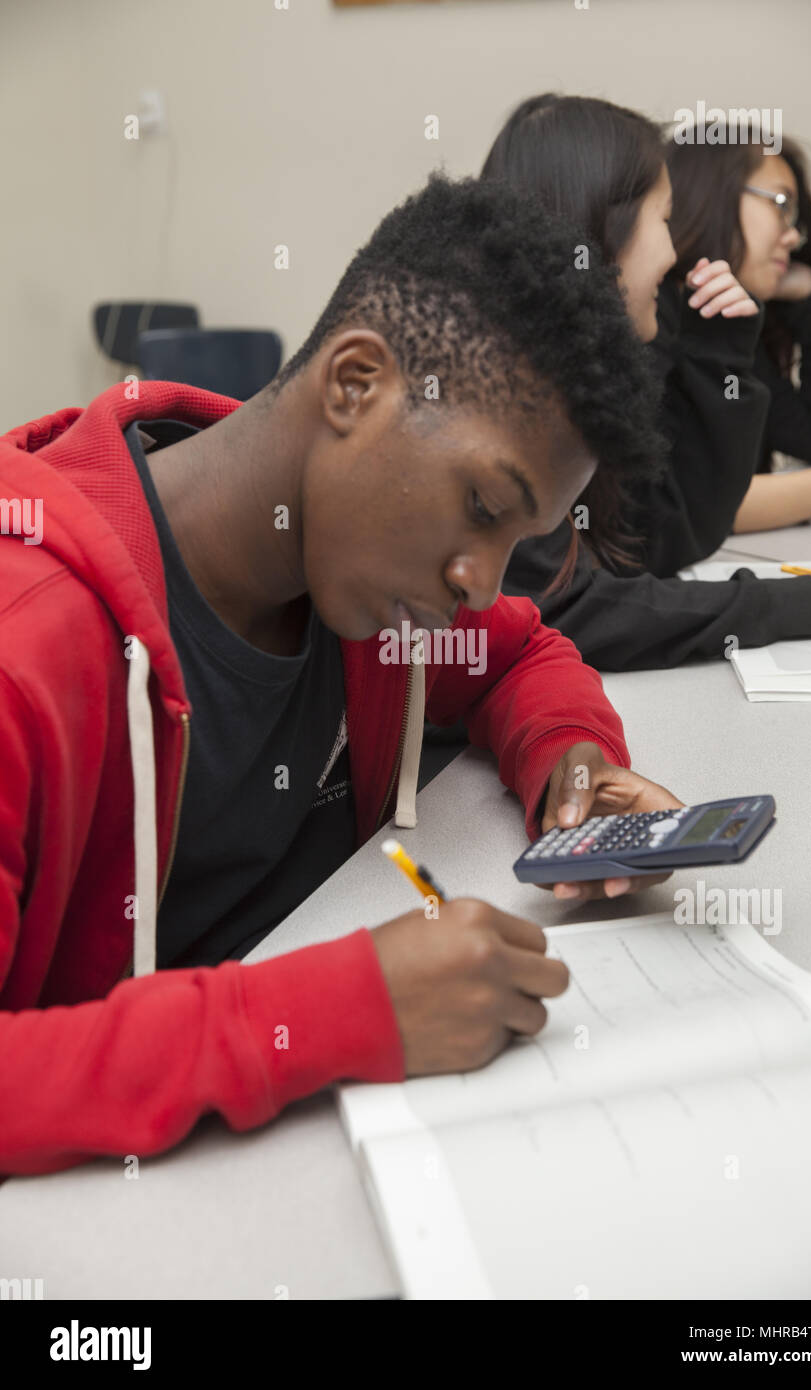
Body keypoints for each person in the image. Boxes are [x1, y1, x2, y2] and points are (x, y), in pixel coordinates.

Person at [0, 173, 680, 1176]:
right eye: (484, 509)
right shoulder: (29, 645)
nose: (477, 583)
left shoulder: (360, 580)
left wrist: (570, 759)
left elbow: (523, 650)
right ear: (354, 385)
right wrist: (341, 1011)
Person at [475, 94, 811, 672]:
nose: (671, 246)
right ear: (607, 227)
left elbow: (656, 542)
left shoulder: (650, 335)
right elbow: (571, 608)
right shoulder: (510, 385)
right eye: (663, 218)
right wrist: (801, 602)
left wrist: (726, 352)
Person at [667, 131, 811, 477]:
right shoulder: (654, 319)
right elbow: (687, 505)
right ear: (713, 196)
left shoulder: (730, 324)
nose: (794, 236)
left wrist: (810, 298)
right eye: (782, 205)